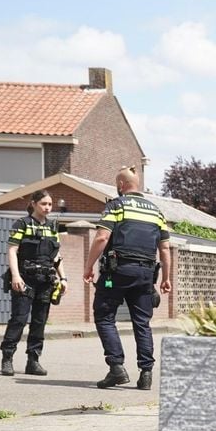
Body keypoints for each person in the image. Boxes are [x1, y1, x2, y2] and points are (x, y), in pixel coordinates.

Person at [83, 167, 173, 389]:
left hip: (117, 271)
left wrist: (89, 266)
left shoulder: (117, 205)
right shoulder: (156, 212)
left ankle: (116, 368)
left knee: (104, 316)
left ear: (121, 185)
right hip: (146, 274)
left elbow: (102, 237)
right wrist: (166, 278)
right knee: (142, 322)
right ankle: (146, 374)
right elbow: (165, 248)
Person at [0, 190, 67, 376]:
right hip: (25, 279)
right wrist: (15, 276)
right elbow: (12, 250)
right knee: (19, 320)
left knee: (39, 322)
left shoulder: (53, 227)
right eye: (44, 204)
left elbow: (57, 256)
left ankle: (33, 361)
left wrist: (63, 278)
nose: (47, 208)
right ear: (34, 204)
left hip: (46, 281)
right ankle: (7, 358)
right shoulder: (22, 224)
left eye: (50, 204)